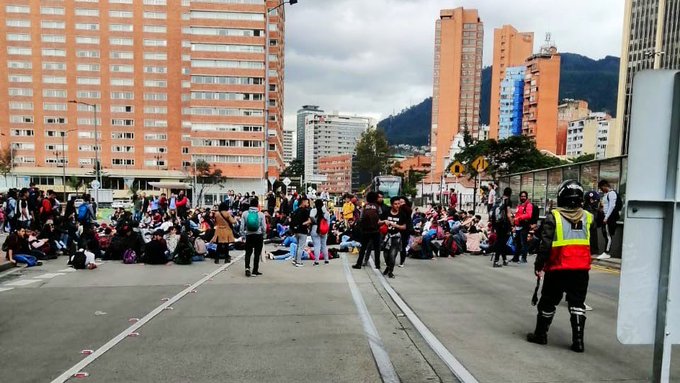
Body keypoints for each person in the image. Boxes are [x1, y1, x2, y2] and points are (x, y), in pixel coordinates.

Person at [527, 180, 596, 353]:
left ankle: (541, 335)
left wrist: (539, 264)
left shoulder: (554, 216)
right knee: (577, 303)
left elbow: (545, 244)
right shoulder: (588, 217)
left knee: (548, 301)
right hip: (581, 269)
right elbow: (594, 245)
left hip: (558, 268)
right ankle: (578, 342)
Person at [353, 192, 382, 270]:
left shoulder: (365, 207)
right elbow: (380, 216)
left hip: (366, 231)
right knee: (377, 249)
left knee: (363, 248)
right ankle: (377, 265)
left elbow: (361, 218)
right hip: (376, 230)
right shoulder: (377, 206)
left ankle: (358, 264)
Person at [382, 197, 407, 278]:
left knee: (392, 255)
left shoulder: (402, 214)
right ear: (392, 205)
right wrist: (384, 221)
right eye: (395, 204)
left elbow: (404, 227)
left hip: (396, 237)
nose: (397, 205)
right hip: (386, 236)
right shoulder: (386, 212)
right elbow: (378, 221)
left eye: (398, 204)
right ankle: (388, 267)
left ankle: (390, 271)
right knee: (386, 255)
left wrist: (396, 225)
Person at [240, 198, 266, 277]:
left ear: (250, 205)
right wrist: (264, 235)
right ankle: (255, 271)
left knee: (248, 253)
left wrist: (243, 235)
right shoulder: (261, 214)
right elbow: (264, 227)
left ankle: (247, 268)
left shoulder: (245, 213)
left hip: (249, 235)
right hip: (258, 236)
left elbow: (241, 227)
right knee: (257, 253)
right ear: (257, 205)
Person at [597, 180, 619, 260]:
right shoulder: (606, 194)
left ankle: (607, 252)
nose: (601, 190)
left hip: (608, 218)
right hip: (605, 217)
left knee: (608, 235)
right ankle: (605, 252)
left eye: (601, 188)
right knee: (605, 235)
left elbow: (612, 206)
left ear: (604, 186)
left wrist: (606, 218)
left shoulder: (612, 193)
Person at [492, 187, 513, 268]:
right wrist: (512, 223)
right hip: (504, 224)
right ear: (510, 193)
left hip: (497, 224)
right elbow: (508, 214)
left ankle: (504, 259)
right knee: (501, 242)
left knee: (501, 241)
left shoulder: (499, 199)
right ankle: (496, 261)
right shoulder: (508, 201)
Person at [289, 196, 311, 267]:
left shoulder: (296, 210)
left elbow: (291, 220)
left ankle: (295, 260)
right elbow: (309, 220)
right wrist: (304, 223)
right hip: (302, 231)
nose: (307, 203)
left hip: (296, 231)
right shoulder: (305, 211)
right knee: (301, 247)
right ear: (303, 202)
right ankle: (298, 262)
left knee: (298, 246)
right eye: (307, 202)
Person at [512, 191, 533, 263]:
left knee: (524, 243)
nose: (523, 197)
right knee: (517, 243)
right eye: (521, 196)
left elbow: (529, 215)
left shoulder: (528, 205)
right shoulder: (519, 205)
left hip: (524, 226)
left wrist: (519, 218)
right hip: (518, 226)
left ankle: (524, 258)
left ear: (526, 197)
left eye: (524, 196)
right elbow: (516, 214)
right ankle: (516, 257)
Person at [309, 199, 330, 266]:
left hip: (315, 229)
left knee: (316, 245)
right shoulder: (326, 213)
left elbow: (311, 217)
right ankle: (326, 260)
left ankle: (316, 261)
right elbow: (328, 223)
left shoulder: (313, 211)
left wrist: (315, 221)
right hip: (324, 230)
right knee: (324, 245)